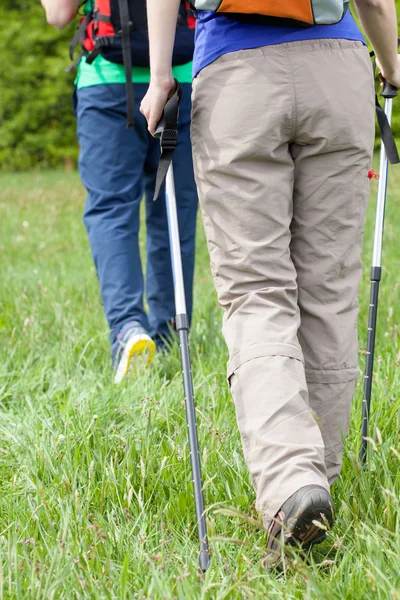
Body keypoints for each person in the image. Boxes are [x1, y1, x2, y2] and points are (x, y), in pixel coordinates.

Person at [141, 0, 400, 562]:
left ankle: (292, 485)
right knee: (329, 290)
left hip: (237, 79)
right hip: (338, 69)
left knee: (257, 289)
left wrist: (161, 76)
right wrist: (392, 62)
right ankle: (318, 486)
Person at [41, 0, 198, 383]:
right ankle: (171, 332)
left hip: (108, 80)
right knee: (174, 208)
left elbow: (58, 15)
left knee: (112, 209)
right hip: (184, 74)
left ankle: (129, 329)